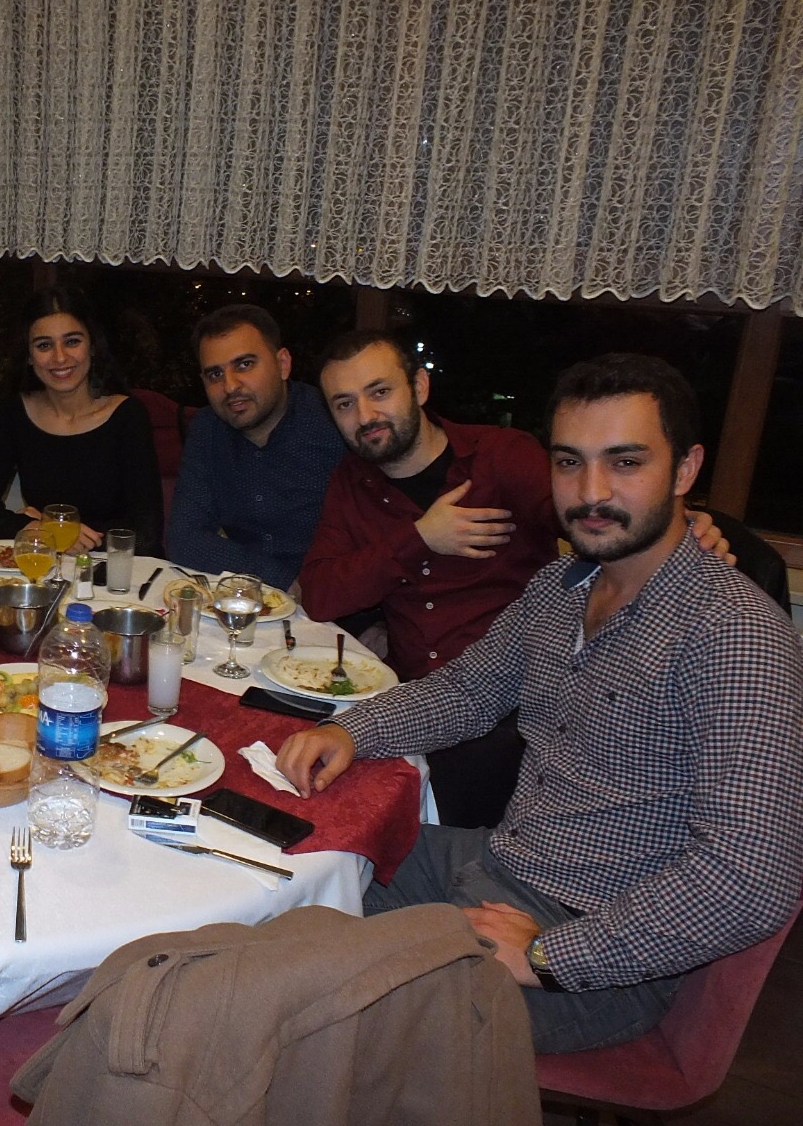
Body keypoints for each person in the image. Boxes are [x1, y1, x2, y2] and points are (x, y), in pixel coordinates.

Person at [278, 353, 803, 1054]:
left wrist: (552, 955)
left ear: (685, 470)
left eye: (625, 462)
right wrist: (351, 731)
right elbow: (467, 690)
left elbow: (751, 875)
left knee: (320, 1017)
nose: (591, 492)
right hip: (496, 861)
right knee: (291, 880)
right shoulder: (561, 587)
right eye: (569, 463)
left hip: (592, 943)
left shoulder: (734, 633)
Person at [299, 330, 731, 826]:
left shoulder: (501, 457)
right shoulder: (352, 482)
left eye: (380, 392)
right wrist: (419, 539)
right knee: (316, 794)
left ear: (419, 387)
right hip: (425, 695)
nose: (366, 416)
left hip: (511, 714)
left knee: (362, 817)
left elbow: (592, 522)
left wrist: (678, 524)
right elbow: (322, 594)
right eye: (345, 404)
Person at [0, 287, 164, 555]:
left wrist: (61, 533)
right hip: (48, 565)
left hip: (119, 570)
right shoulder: (14, 413)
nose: (60, 357)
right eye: (44, 345)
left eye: (72, 341)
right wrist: (30, 527)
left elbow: (146, 533)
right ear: (28, 356)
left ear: (93, 346)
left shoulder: (128, 416)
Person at [167, 305, 346, 586]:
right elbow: (183, 539)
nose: (230, 386)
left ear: (283, 364)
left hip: (333, 593)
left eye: (244, 365)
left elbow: (372, 535)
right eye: (215, 375)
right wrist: (282, 581)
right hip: (248, 595)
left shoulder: (332, 422)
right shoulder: (208, 429)